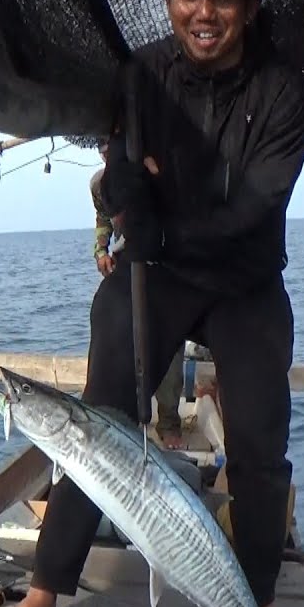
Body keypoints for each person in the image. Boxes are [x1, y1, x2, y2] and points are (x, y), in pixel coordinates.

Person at [0, 0, 304, 607]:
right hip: (155, 276)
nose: (204, 12)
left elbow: (254, 207)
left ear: (249, 8)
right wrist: (131, 189)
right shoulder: (141, 76)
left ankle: (259, 598)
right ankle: (47, 588)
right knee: (98, 415)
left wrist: (165, 221)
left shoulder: (285, 93)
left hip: (246, 279)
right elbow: (122, 175)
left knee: (259, 439)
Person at [91, 144, 189, 449]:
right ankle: (116, 418)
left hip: (168, 262)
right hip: (129, 261)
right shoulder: (100, 185)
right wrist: (101, 251)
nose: (110, 158)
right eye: (106, 153)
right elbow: (102, 219)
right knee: (114, 333)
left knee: (168, 342)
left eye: (115, 151)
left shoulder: (160, 174)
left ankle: (170, 419)